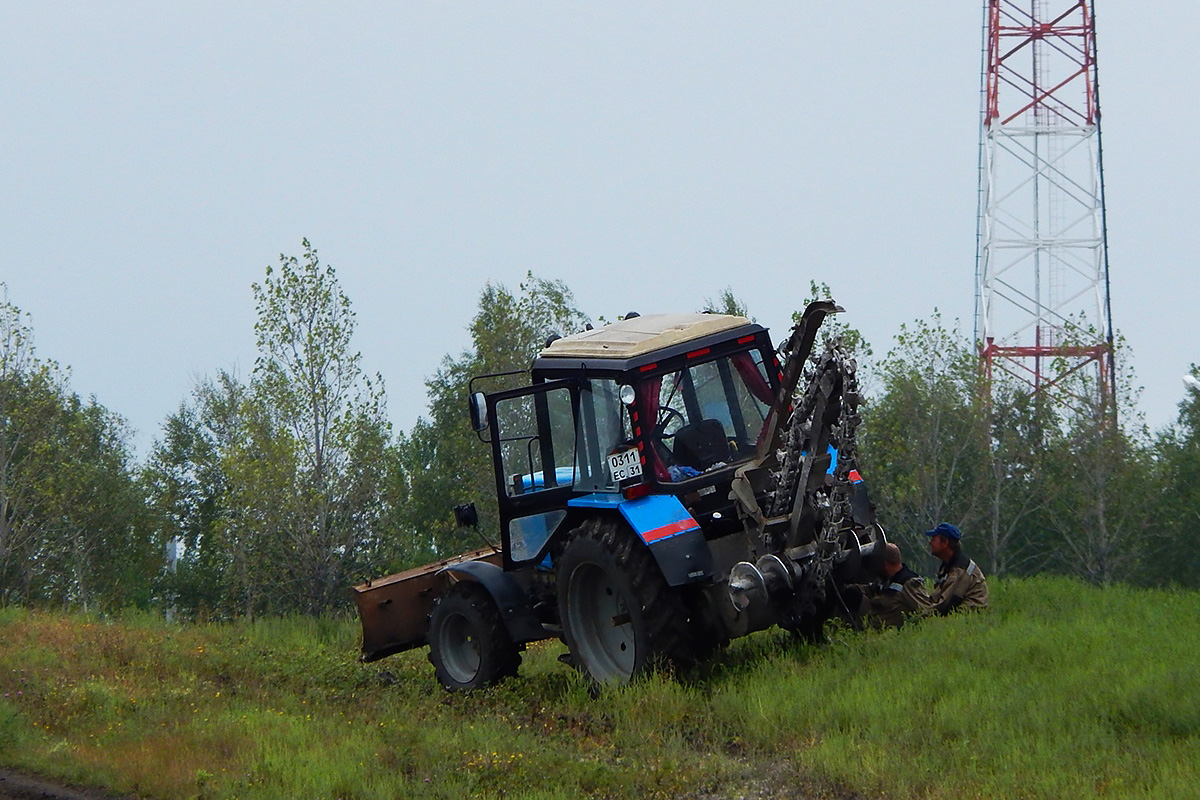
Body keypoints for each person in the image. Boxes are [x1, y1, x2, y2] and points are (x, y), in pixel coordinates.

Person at [841, 542, 930, 629]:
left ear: (884, 563)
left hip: (886, 629)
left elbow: (925, 610)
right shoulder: (885, 580)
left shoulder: (908, 582)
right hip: (873, 621)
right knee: (851, 592)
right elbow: (869, 589)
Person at [923, 522, 988, 615]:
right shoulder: (948, 565)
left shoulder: (960, 570)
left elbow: (945, 604)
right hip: (959, 615)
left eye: (934, 538)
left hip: (969, 617)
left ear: (945, 543)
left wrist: (920, 615)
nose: (930, 542)